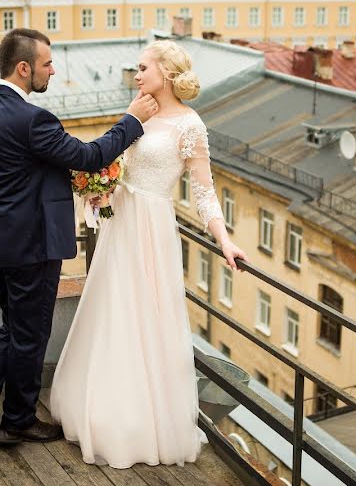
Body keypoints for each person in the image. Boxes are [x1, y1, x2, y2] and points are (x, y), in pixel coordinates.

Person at [0, 28, 160, 445]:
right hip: (32, 248)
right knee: (29, 334)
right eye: (47, 64)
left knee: (14, 327)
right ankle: (8, 417)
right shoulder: (32, 119)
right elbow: (90, 156)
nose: (53, 70)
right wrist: (132, 120)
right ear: (24, 68)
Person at [49, 40, 248, 468]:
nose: (137, 75)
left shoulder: (190, 126)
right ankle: (103, 410)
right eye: (136, 69)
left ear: (166, 72)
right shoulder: (139, 108)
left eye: (143, 68)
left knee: (146, 316)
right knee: (113, 310)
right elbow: (116, 158)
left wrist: (223, 239)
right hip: (121, 220)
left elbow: (203, 191)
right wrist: (101, 189)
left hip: (152, 226)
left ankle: (143, 423)